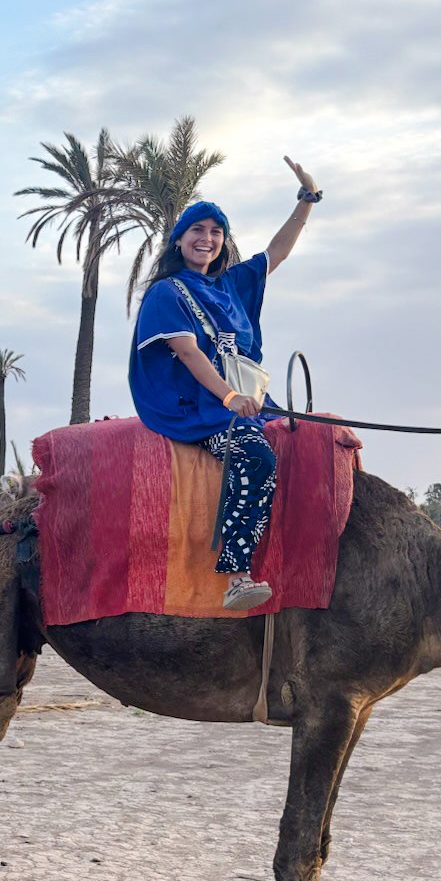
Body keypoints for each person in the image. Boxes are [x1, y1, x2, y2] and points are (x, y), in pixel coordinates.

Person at [128, 158, 321, 611]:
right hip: (201, 407)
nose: (207, 238)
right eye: (198, 229)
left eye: (216, 231)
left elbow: (276, 252)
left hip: (246, 401)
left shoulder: (231, 286)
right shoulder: (167, 292)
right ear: (179, 239)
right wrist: (231, 397)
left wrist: (307, 199)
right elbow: (189, 352)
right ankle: (236, 575)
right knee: (255, 458)